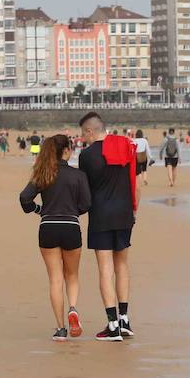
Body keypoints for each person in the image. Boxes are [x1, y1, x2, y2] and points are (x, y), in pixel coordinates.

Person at [19, 134, 91, 341]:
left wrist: (38, 209)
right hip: (70, 226)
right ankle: (73, 309)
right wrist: (72, 210)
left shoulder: (43, 174)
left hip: (48, 226)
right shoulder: (78, 176)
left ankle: (60, 329)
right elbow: (86, 204)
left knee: (55, 279)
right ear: (66, 151)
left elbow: (24, 198)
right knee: (72, 276)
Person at [78, 112, 138, 341]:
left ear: (89, 131)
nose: (83, 139)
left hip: (101, 215)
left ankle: (113, 325)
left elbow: (85, 191)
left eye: (83, 134)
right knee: (122, 265)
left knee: (105, 269)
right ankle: (124, 319)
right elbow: (136, 183)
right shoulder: (125, 146)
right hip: (124, 213)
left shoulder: (86, 156)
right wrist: (134, 210)